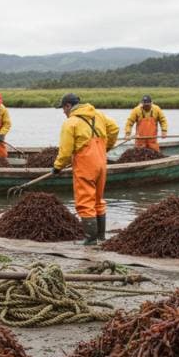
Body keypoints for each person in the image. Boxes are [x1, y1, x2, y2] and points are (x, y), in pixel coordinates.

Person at [51, 93, 119, 245]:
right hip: (101, 163)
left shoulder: (71, 123)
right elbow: (114, 129)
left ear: (68, 106)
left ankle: (90, 240)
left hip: (85, 166)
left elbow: (66, 151)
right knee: (98, 200)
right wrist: (106, 147)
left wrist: (57, 167)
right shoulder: (98, 114)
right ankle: (101, 237)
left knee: (85, 202)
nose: (63, 112)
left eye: (63, 108)